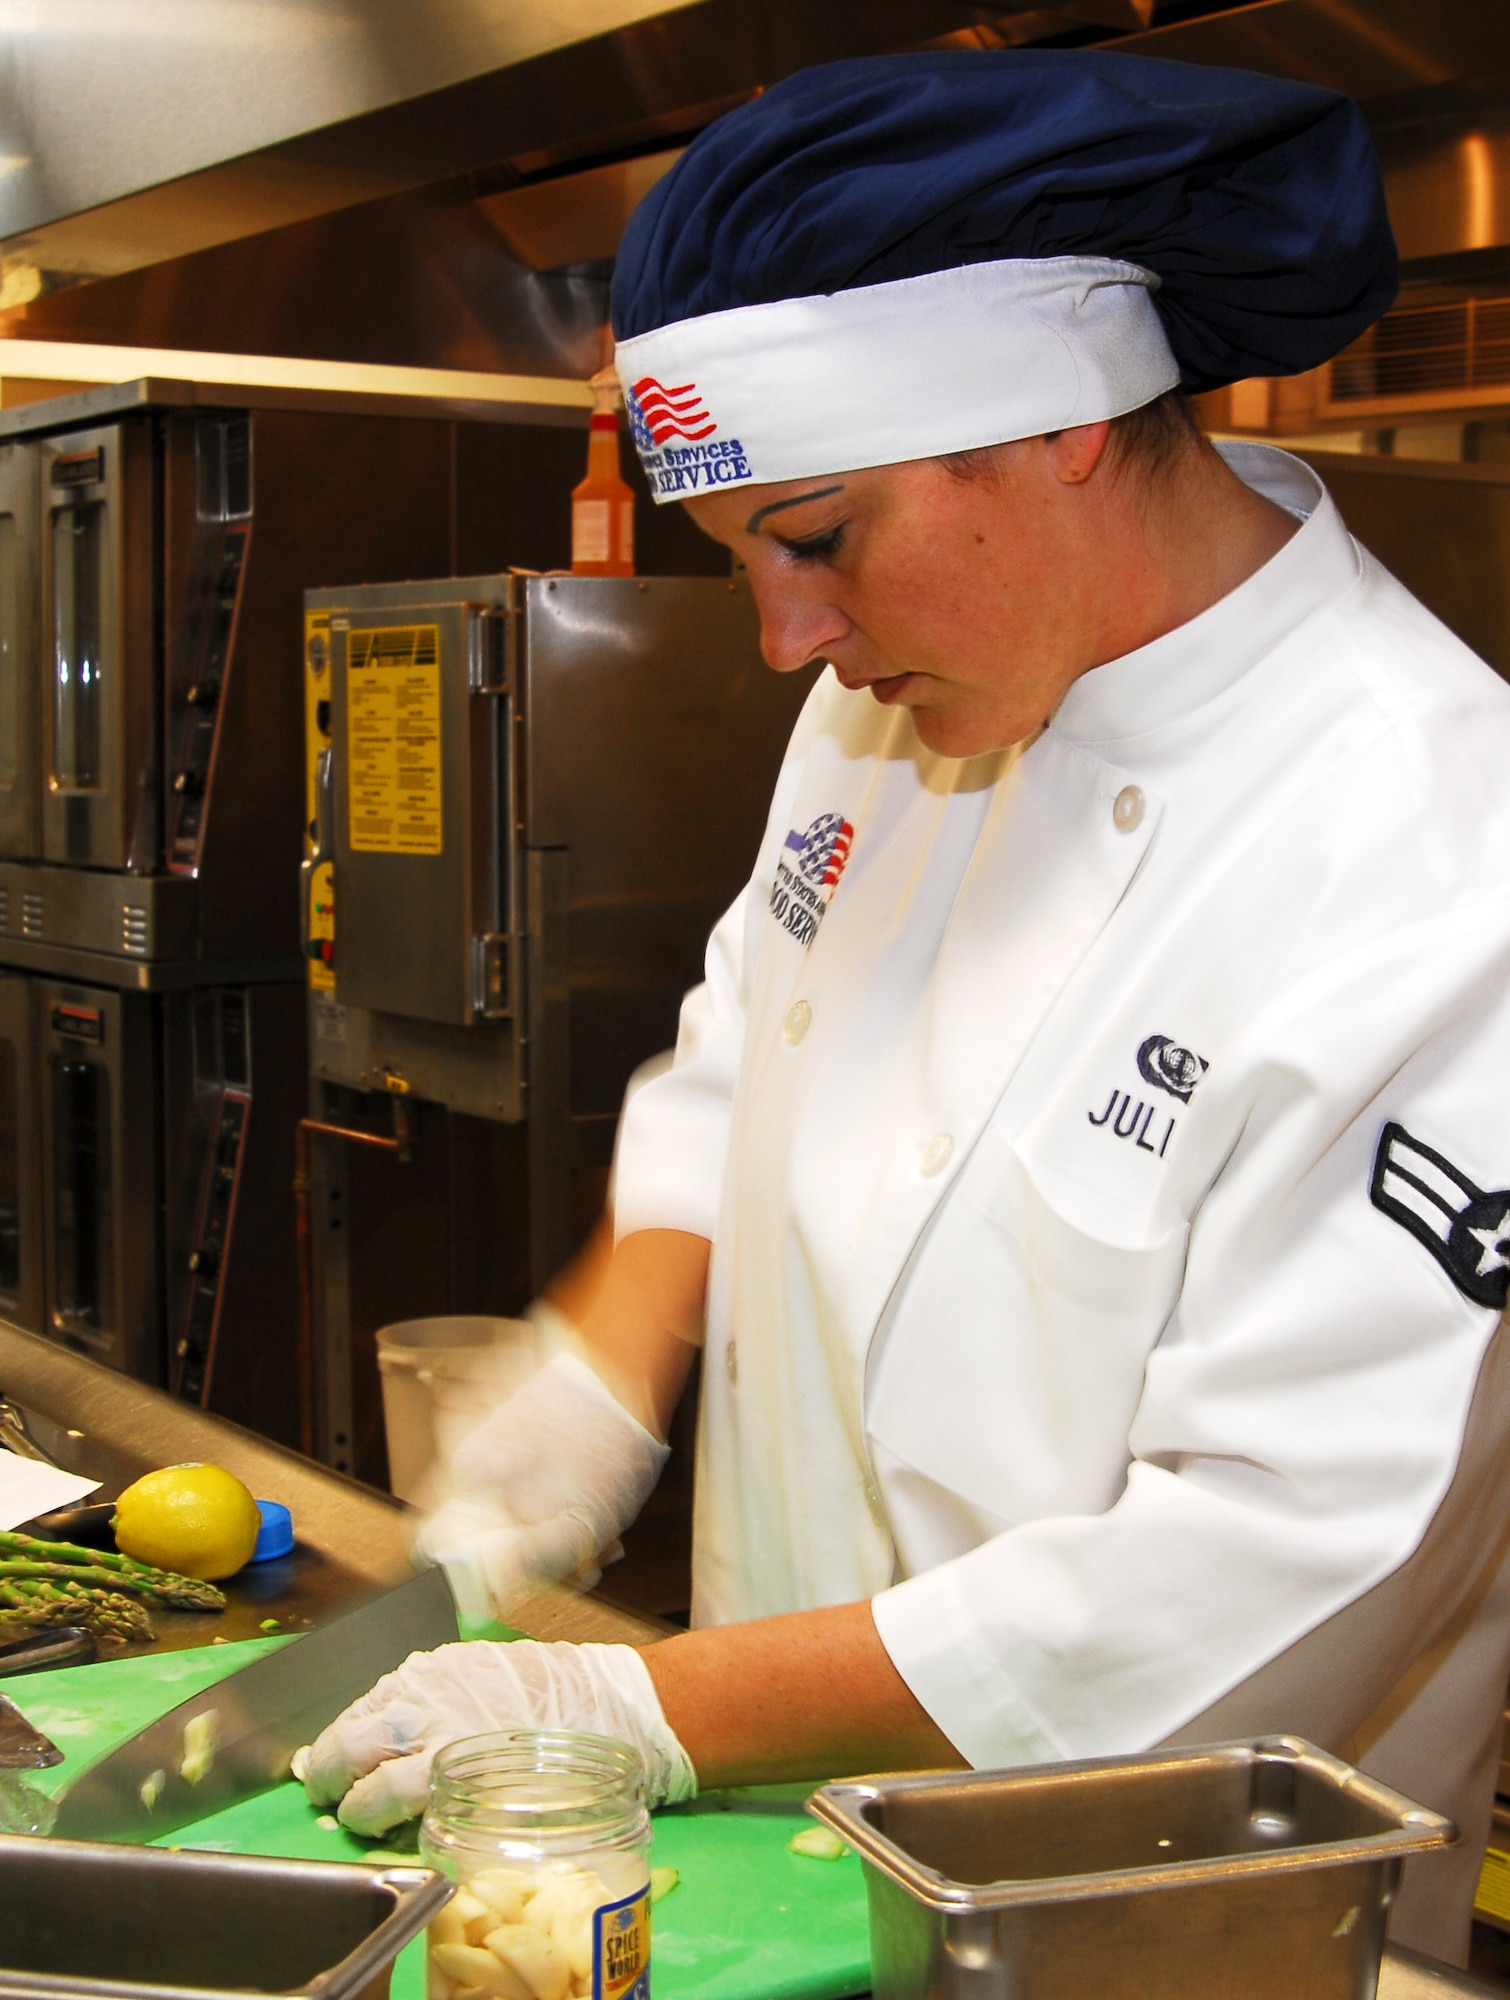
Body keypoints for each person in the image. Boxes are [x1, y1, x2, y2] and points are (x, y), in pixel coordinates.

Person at [306, 49, 1510, 1964]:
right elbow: (746, 1054)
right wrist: (603, 1366)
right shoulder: (882, 701)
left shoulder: (1437, 859)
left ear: (1063, 425)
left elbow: (1274, 1571)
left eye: (813, 536)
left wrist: (643, 1708)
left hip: (1145, 1931)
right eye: (742, 558)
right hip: (749, 1881)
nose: (786, 638)